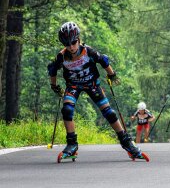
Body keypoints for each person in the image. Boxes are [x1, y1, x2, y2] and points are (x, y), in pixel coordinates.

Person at [47, 21, 143, 159]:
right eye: (67, 44)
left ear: (78, 39)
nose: (71, 47)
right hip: (73, 85)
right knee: (67, 109)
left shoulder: (88, 51)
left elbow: (104, 61)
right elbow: (52, 70)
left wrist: (111, 74)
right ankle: (72, 144)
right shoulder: (61, 56)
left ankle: (126, 142)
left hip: (92, 83)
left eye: (73, 42)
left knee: (109, 112)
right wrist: (54, 86)